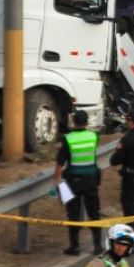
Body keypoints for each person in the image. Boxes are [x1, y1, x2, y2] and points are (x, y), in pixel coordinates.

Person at [54, 108, 105, 256]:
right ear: (87, 122)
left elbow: (60, 162)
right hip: (91, 180)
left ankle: (74, 247)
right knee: (94, 212)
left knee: (73, 214)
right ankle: (97, 247)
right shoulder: (93, 136)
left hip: (73, 181)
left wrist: (56, 180)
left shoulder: (68, 139)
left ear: (73, 121)